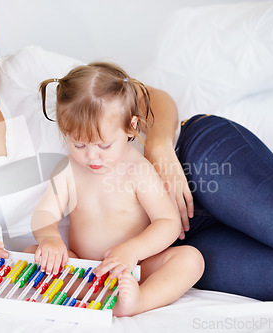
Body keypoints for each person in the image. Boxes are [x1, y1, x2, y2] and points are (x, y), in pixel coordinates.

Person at [0, 0, 273, 302]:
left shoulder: (29, 70)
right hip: (149, 253)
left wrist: (163, 150)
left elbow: (151, 100)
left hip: (188, 166)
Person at [28, 62, 204, 316]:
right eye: (79, 145)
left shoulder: (138, 170)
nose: (92, 157)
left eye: (104, 145)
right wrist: (49, 239)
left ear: (130, 126)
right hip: (83, 267)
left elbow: (168, 222)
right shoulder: (67, 170)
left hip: (137, 267)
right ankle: (89, 292)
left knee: (191, 260)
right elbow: (45, 213)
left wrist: (133, 251)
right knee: (32, 254)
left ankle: (139, 300)